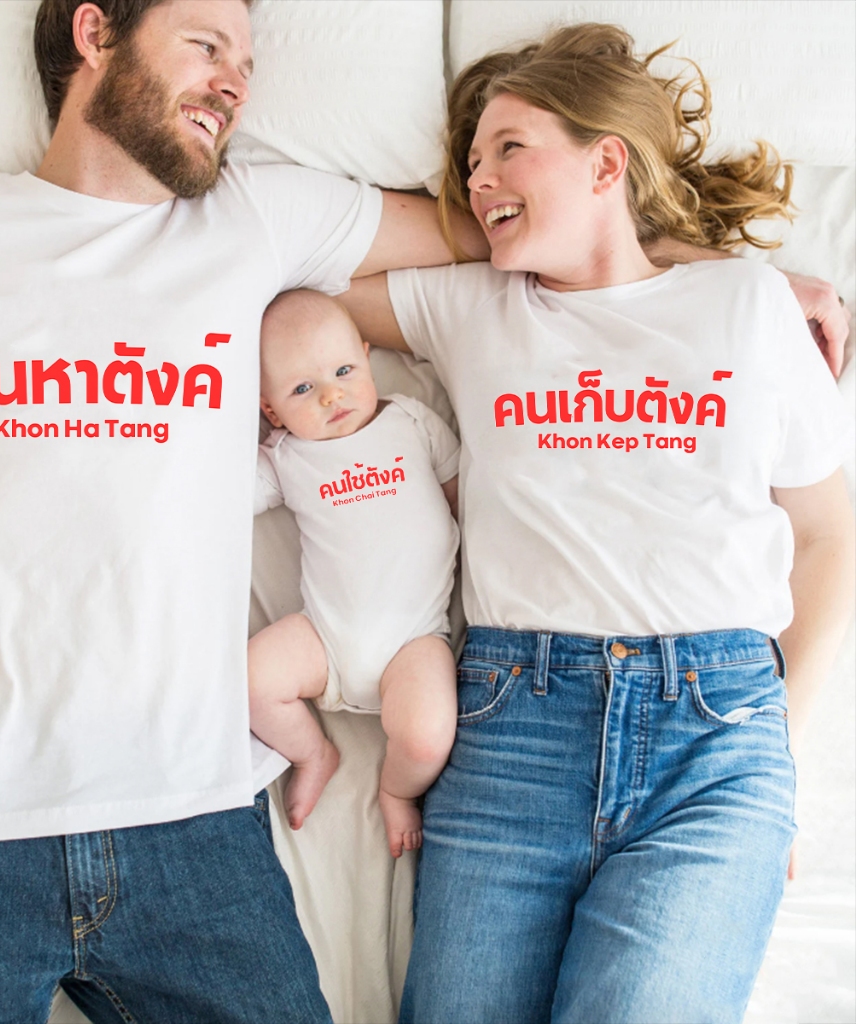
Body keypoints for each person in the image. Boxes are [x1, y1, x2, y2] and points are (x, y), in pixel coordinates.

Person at [0, 1, 486, 1021]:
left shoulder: (254, 218)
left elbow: (505, 227)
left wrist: (709, 263)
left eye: (247, 64)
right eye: (206, 46)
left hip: (191, 823)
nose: (236, 83)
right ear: (96, 35)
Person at [339, 23, 855, 1024]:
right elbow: (295, 264)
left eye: (509, 147)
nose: (480, 177)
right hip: (512, 735)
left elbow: (830, 536)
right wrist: (497, 221)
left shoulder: (750, 305)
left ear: (606, 161)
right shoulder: (473, 308)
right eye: (470, 164)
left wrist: (779, 751)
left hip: (715, 737)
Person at [249, 289, 460, 858]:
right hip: (322, 638)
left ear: (367, 358)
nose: (331, 394)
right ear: (271, 411)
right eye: (302, 389)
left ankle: (396, 791)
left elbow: (463, 497)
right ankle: (312, 753)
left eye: (343, 371)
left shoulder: (411, 420)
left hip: (413, 641)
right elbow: (222, 498)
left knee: (425, 737)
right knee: (249, 680)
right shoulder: (285, 456)